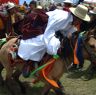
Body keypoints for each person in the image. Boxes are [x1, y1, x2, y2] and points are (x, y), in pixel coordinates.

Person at [17, 4, 90, 64]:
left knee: (56, 44)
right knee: (41, 42)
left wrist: (69, 34)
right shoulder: (62, 18)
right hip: (42, 24)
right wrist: (53, 45)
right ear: (76, 17)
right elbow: (49, 30)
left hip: (52, 28)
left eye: (81, 21)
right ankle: (29, 62)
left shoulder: (72, 22)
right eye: (80, 20)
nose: (80, 23)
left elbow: (66, 30)